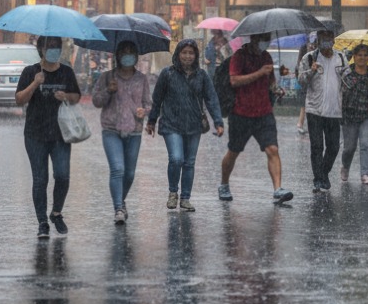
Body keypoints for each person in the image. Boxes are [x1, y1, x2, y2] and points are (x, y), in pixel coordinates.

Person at [16, 36, 82, 238]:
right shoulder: (30, 72)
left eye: (57, 47)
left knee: (62, 175)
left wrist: (66, 96)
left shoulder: (66, 72)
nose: (54, 51)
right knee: (40, 179)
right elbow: (19, 100)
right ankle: (42, 222)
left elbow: (76, 96)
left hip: (60, 134)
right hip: (35, 134)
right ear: (41, 50)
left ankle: (56, 212)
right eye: (50, 47)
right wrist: (35, 84)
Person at [148, 39, 224, 213]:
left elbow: (211, 99)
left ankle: (185, 198)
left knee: (189, 162)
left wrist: (218, 122)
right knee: (176, 158)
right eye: (184, 53)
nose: (188, 56)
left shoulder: (202, 76)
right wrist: (152, 120)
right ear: (178, 54)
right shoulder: (167, 74)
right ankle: (173, 192)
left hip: (193, 125)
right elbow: (157, 99)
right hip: (171, 124)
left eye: (191, 53)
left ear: (196, 56)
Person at [218, 33, 293, 204]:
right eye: (263, 39)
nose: (265, 43)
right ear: (254, 39)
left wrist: (277, 88)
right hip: (241, 113)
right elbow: (234, 80)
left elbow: (270, 82)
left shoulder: (266, 57)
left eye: (268, 39)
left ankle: (278, 189)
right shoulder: (239, 56)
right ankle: (224, 184)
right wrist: (259, 72)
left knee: (272, 149)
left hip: (264, 112)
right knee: (233, 151)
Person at [91, 41, 150, 224]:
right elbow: (96, 101)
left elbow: (149, 102)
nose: (127, 55)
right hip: (111, 129)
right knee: (117, 169)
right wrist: (109, 91)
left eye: (131, 52)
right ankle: (118, 208)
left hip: (134, 130)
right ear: (117, 56)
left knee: (129, 174)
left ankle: (121, 200)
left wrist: (144, 111)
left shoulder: (141, 79)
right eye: (124, 52)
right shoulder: (107, 77)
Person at [298, 30, 346, 192]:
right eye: (323, 39)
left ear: (333, 40)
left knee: (333, 147)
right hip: (315, 110)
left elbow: (348, 81)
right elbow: (301, 81)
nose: (326, 42)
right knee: (317, 146)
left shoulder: (340, 58)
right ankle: (318, 180)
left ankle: (323, 174)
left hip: (334, 111)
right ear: (318, 40)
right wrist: (311, 70)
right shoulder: (309, 57)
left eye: (329, 38)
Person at [338, 44, 368, 185]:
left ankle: (365, 174)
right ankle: (345, 166)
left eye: (365, 55)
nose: (362, 58)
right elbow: (339, 90)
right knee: (349, 147)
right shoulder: (347, 72)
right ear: (355, 56)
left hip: (366, 115)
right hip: (349, 114)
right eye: (359, 55)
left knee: (365, 144)